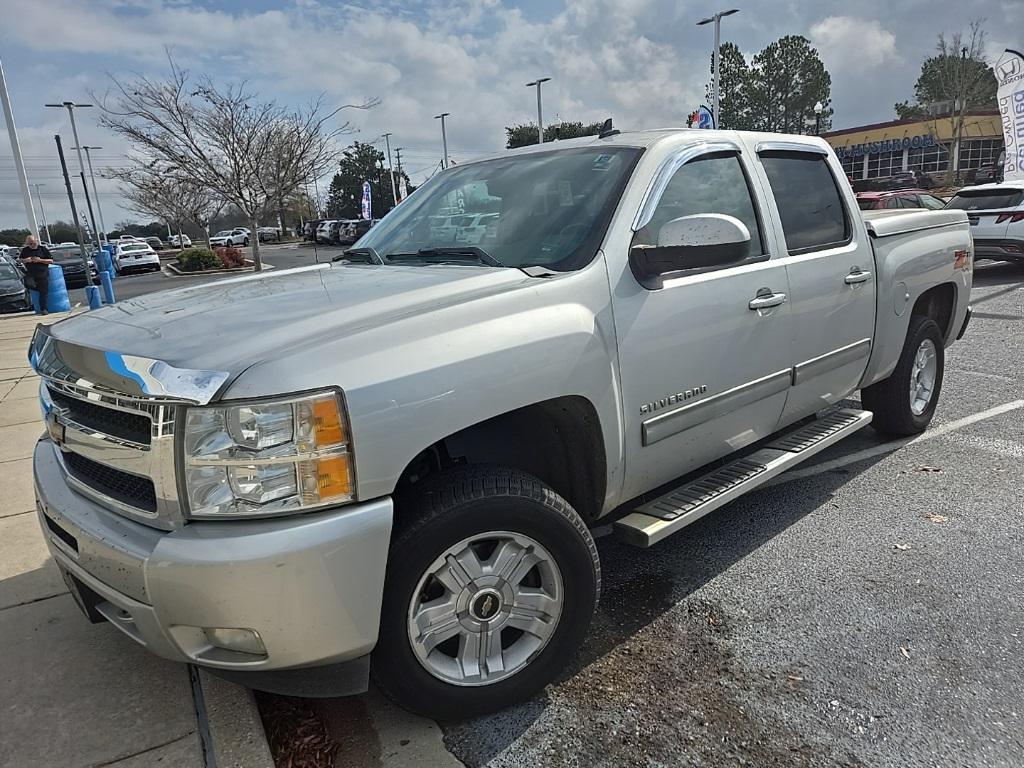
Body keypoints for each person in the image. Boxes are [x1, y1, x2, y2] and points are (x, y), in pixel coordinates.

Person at [19, 235, 54, 315]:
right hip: (31, 274)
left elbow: (51, 261)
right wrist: (25, 260)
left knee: (43, 292)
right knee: (28, 287)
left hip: (42, 273)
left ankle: (43, 309)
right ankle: (32, 304)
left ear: (36, 241)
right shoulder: (25, 250)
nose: (32, 245)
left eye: (33, 243)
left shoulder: (43, 249)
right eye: (30, 244)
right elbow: (19, 260)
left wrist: (40, 260)